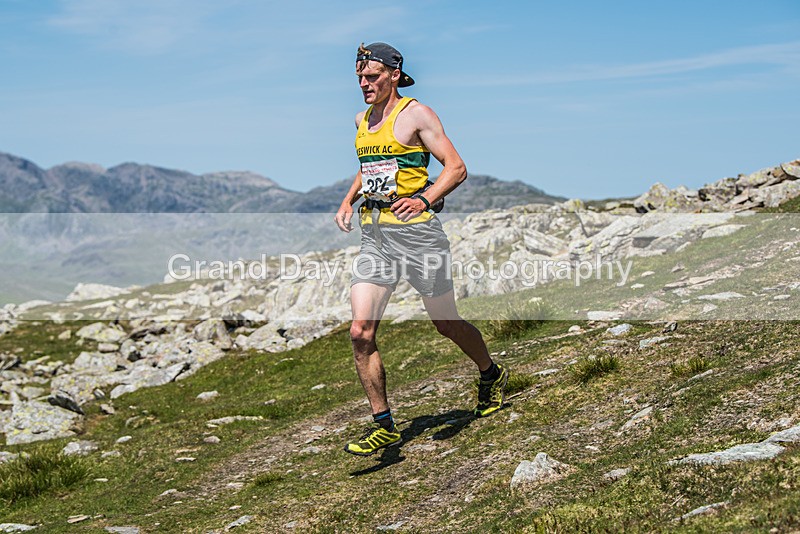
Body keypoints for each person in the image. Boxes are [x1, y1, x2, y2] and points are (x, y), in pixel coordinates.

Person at [334, 42, 508, 456]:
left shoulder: (417, 114)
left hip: (418, 237)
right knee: (360, 332)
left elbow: (456, 167)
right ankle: (384, 424)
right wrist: (348, 199)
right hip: (376, 237)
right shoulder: (362, 119)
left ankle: (491, 373)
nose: (364, 84)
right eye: (359, 77)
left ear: (394, 74)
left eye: (372, 76)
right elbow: (369, 166)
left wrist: (425, 199)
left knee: (446, 323)